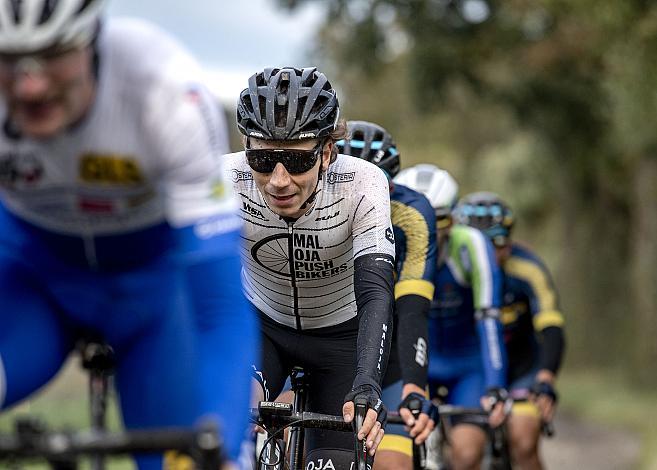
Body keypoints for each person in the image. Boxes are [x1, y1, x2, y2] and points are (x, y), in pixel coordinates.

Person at [0, 1, 256, 468]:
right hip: (31, 290)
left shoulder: (163, 88)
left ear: (92, 37)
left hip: (151, 301)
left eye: (53, 52)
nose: (29, 83)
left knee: (188, 456)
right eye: (8, 59)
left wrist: (219, 438)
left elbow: (219, 309)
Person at [225, 67, 395, 469]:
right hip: (261, 327)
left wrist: (368, 385)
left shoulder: (363, 183)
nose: (278, 181)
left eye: (297, 160)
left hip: (340, 339)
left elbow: (375, 291)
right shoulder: (224, 179)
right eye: (263, 159)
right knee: (227, 432)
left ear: (328, 152)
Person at [336, 121, 439, 470]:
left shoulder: (414, 213)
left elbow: (411, 310)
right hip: (322, 345)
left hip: (387, 351)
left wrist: (415, 387)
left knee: (393, 465)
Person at [394, 164, 509, 470]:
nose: (428, 223)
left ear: (456, 217)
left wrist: (496, 385)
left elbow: (489, 318)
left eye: (440, 217)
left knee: (467, 454)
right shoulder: (391, 242)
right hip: (413, 366)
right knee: (399, 455)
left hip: (465, 369)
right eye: (420, 213)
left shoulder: (472, 245)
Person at [454, 192, 566, 470]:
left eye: (499, 242)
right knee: (463, 452)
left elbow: (551, 325)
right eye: (480, 244)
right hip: (473, 367)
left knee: (524, 440)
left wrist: (546, 378)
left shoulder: (528, 268)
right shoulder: (451, 271)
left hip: (521, 366)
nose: (490, 254)